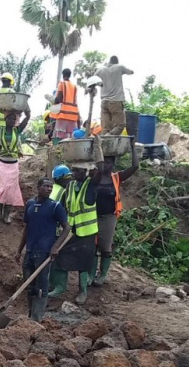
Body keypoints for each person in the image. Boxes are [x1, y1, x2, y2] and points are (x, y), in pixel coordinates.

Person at [49, 136, 104, 305]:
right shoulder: (71, 186)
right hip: (71, 231)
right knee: (59, 255)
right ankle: (60, 286)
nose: (74, 173)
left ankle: (83, 291)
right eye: (73, 171)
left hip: (87, 233)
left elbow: (100, 170)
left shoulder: (91, 185)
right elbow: (65, 207)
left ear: (85, 172)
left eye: (78, 171)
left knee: (83, 263)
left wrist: (98, 149)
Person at [16, 178, 70, 322]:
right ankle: (30, 315)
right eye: (46, 186)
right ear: (38, 187)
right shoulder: (30, 204)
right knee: (29, 285)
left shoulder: (55, 206)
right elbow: (26, 229)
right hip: (30, 251)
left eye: (51, 187)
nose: (49, 189)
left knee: (41, 286)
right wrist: (19, 250)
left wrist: (55, 247)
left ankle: (37, 317)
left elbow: (67, 228)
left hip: (44, 253)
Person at [92, 139, 139, 286]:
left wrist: (132, 147)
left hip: (108, 217)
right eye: (103, 162)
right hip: (92, 216)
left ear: (113, 165)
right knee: (92, 246)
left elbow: (135, 166)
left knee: (105, 247)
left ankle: (102, 275)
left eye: (108, 163)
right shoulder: (94, 176)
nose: (105, 165)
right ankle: (90, 274)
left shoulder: (116, 177)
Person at [0, 109, 31, 224]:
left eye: (14, 119)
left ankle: (6, 214)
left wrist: (27, 111)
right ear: (5, 120)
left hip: (13, 164)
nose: (12, 121)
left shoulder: (17, 130)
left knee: (11, 189)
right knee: (3, 187)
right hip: (2, 163)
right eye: (10, 119)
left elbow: (27, 118)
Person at [95, 56, 134, 135]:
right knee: (120, 126)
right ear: (116, 62)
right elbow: (131, 72)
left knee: (106, 128)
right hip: (115, 101)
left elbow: (93, 80)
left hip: (104, 102)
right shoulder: (119, 67)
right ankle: (108, 137)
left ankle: (105, 143)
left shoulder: (100, 70)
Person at [52, 69, 81, 144]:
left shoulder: (62, 84)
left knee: (59, 138)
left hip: (63, 115)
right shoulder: (74, 87)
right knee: (71, 138)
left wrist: (53, 100)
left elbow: (59, 98)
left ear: (63, 75)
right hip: (73, 116)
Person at [0, 72, 15, 155]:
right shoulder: (11, 91)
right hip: (6, 119)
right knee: (5, 139)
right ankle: (3, 155)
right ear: (9, 82)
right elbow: (14, 105)